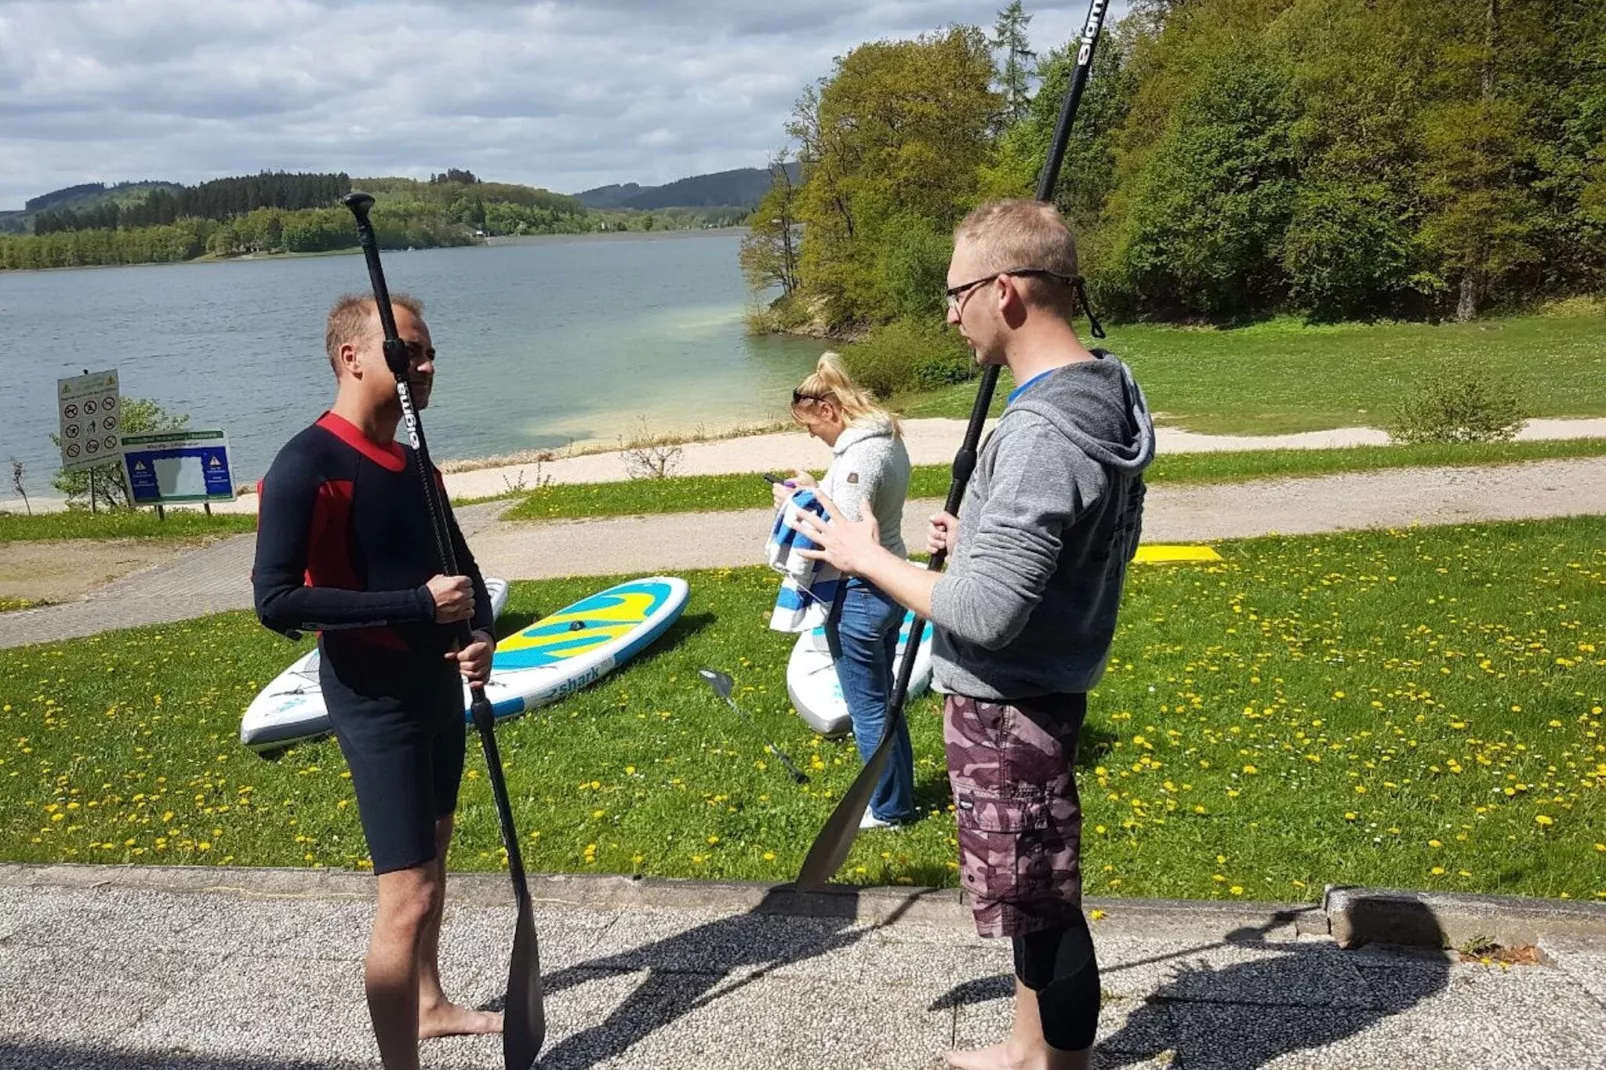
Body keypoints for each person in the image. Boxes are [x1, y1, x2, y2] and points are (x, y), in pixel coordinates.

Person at [787, 199, 1155, 1070]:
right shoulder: (1106, 388)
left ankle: (1058, 1065)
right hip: (1041, 681)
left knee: (1045, 908)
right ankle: (1031, 1046)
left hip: (1010, 700)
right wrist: (979, 537)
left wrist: (864, 554)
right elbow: (1065, 543)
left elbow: (986, 614)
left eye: (956, 295)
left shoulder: (1039, 430)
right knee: (1031, 898)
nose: (949, 316)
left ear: (1006, 292)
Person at [251, 293, 502, 1070]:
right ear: (352, 357)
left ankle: (427, 1004)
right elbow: (276, 600)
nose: (425, 368)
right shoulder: (307, 465)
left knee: (437, 854)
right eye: (407, 354)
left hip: (434, 688)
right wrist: (414, 605)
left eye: (427, 355)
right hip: (373, 696)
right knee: (409, 894)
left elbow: (460, 564)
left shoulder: (414, 461)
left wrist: (481, 633)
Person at [776, 352, 915, 828]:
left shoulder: (858, 454)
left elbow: (846, 532)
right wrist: (818, 487)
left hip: (861, 591)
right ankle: (896, 793)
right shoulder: (885, 439)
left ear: (831, 411)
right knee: (885, 697)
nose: (811, 434)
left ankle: (890, 808)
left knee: (869, 706)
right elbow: (856, 502)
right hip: (891, 579)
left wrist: (794, 503)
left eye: (812, 425)